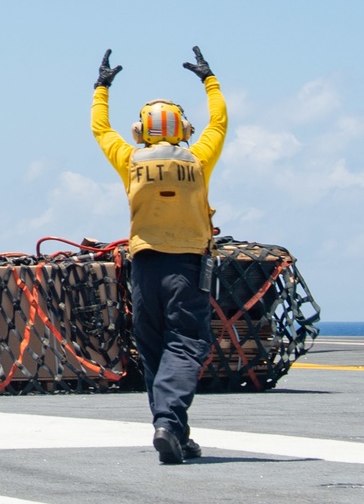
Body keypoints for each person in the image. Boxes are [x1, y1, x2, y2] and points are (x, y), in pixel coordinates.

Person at [92, 45, 228, 465]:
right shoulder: (199, 159)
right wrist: (210, 79)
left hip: (144, 266)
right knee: (187, 344)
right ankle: (168, 422)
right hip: (186, 266)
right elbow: (220, 122)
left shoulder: (131, 159)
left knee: (154, 349)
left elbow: (101, 130)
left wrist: (101, 88)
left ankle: (173, 433)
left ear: (140, 130)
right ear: (184, 128)